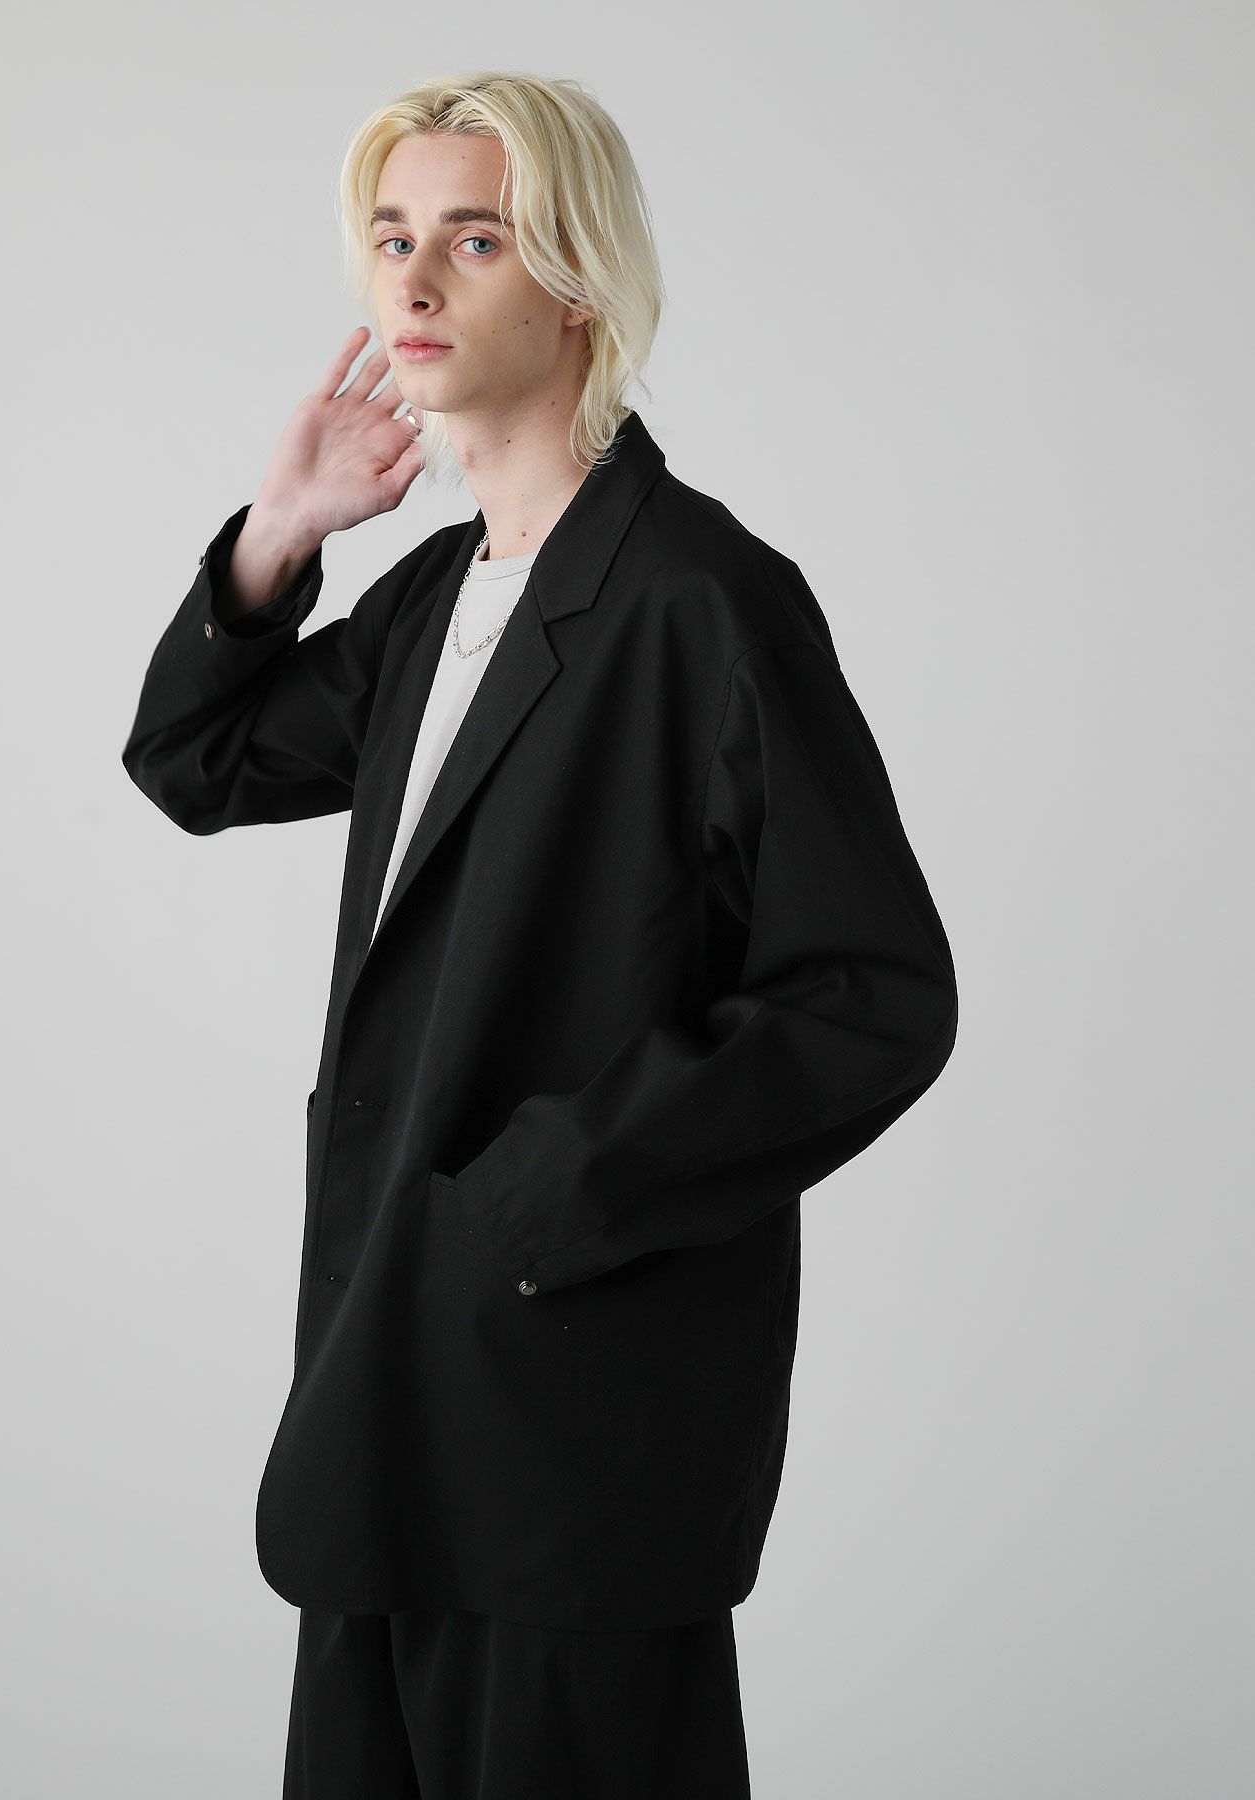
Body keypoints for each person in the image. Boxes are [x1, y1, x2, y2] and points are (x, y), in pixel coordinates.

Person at [122, 70, 958, 1800]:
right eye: (391, 239)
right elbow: (197, 763)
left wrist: (546, 1195)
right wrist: (281, 530)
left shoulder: (702, 600)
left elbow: (871, 996)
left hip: (575, 1420)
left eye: (476, 240)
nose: (414, 283)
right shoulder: (438, 597)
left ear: (576, 278)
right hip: (378, 1410)